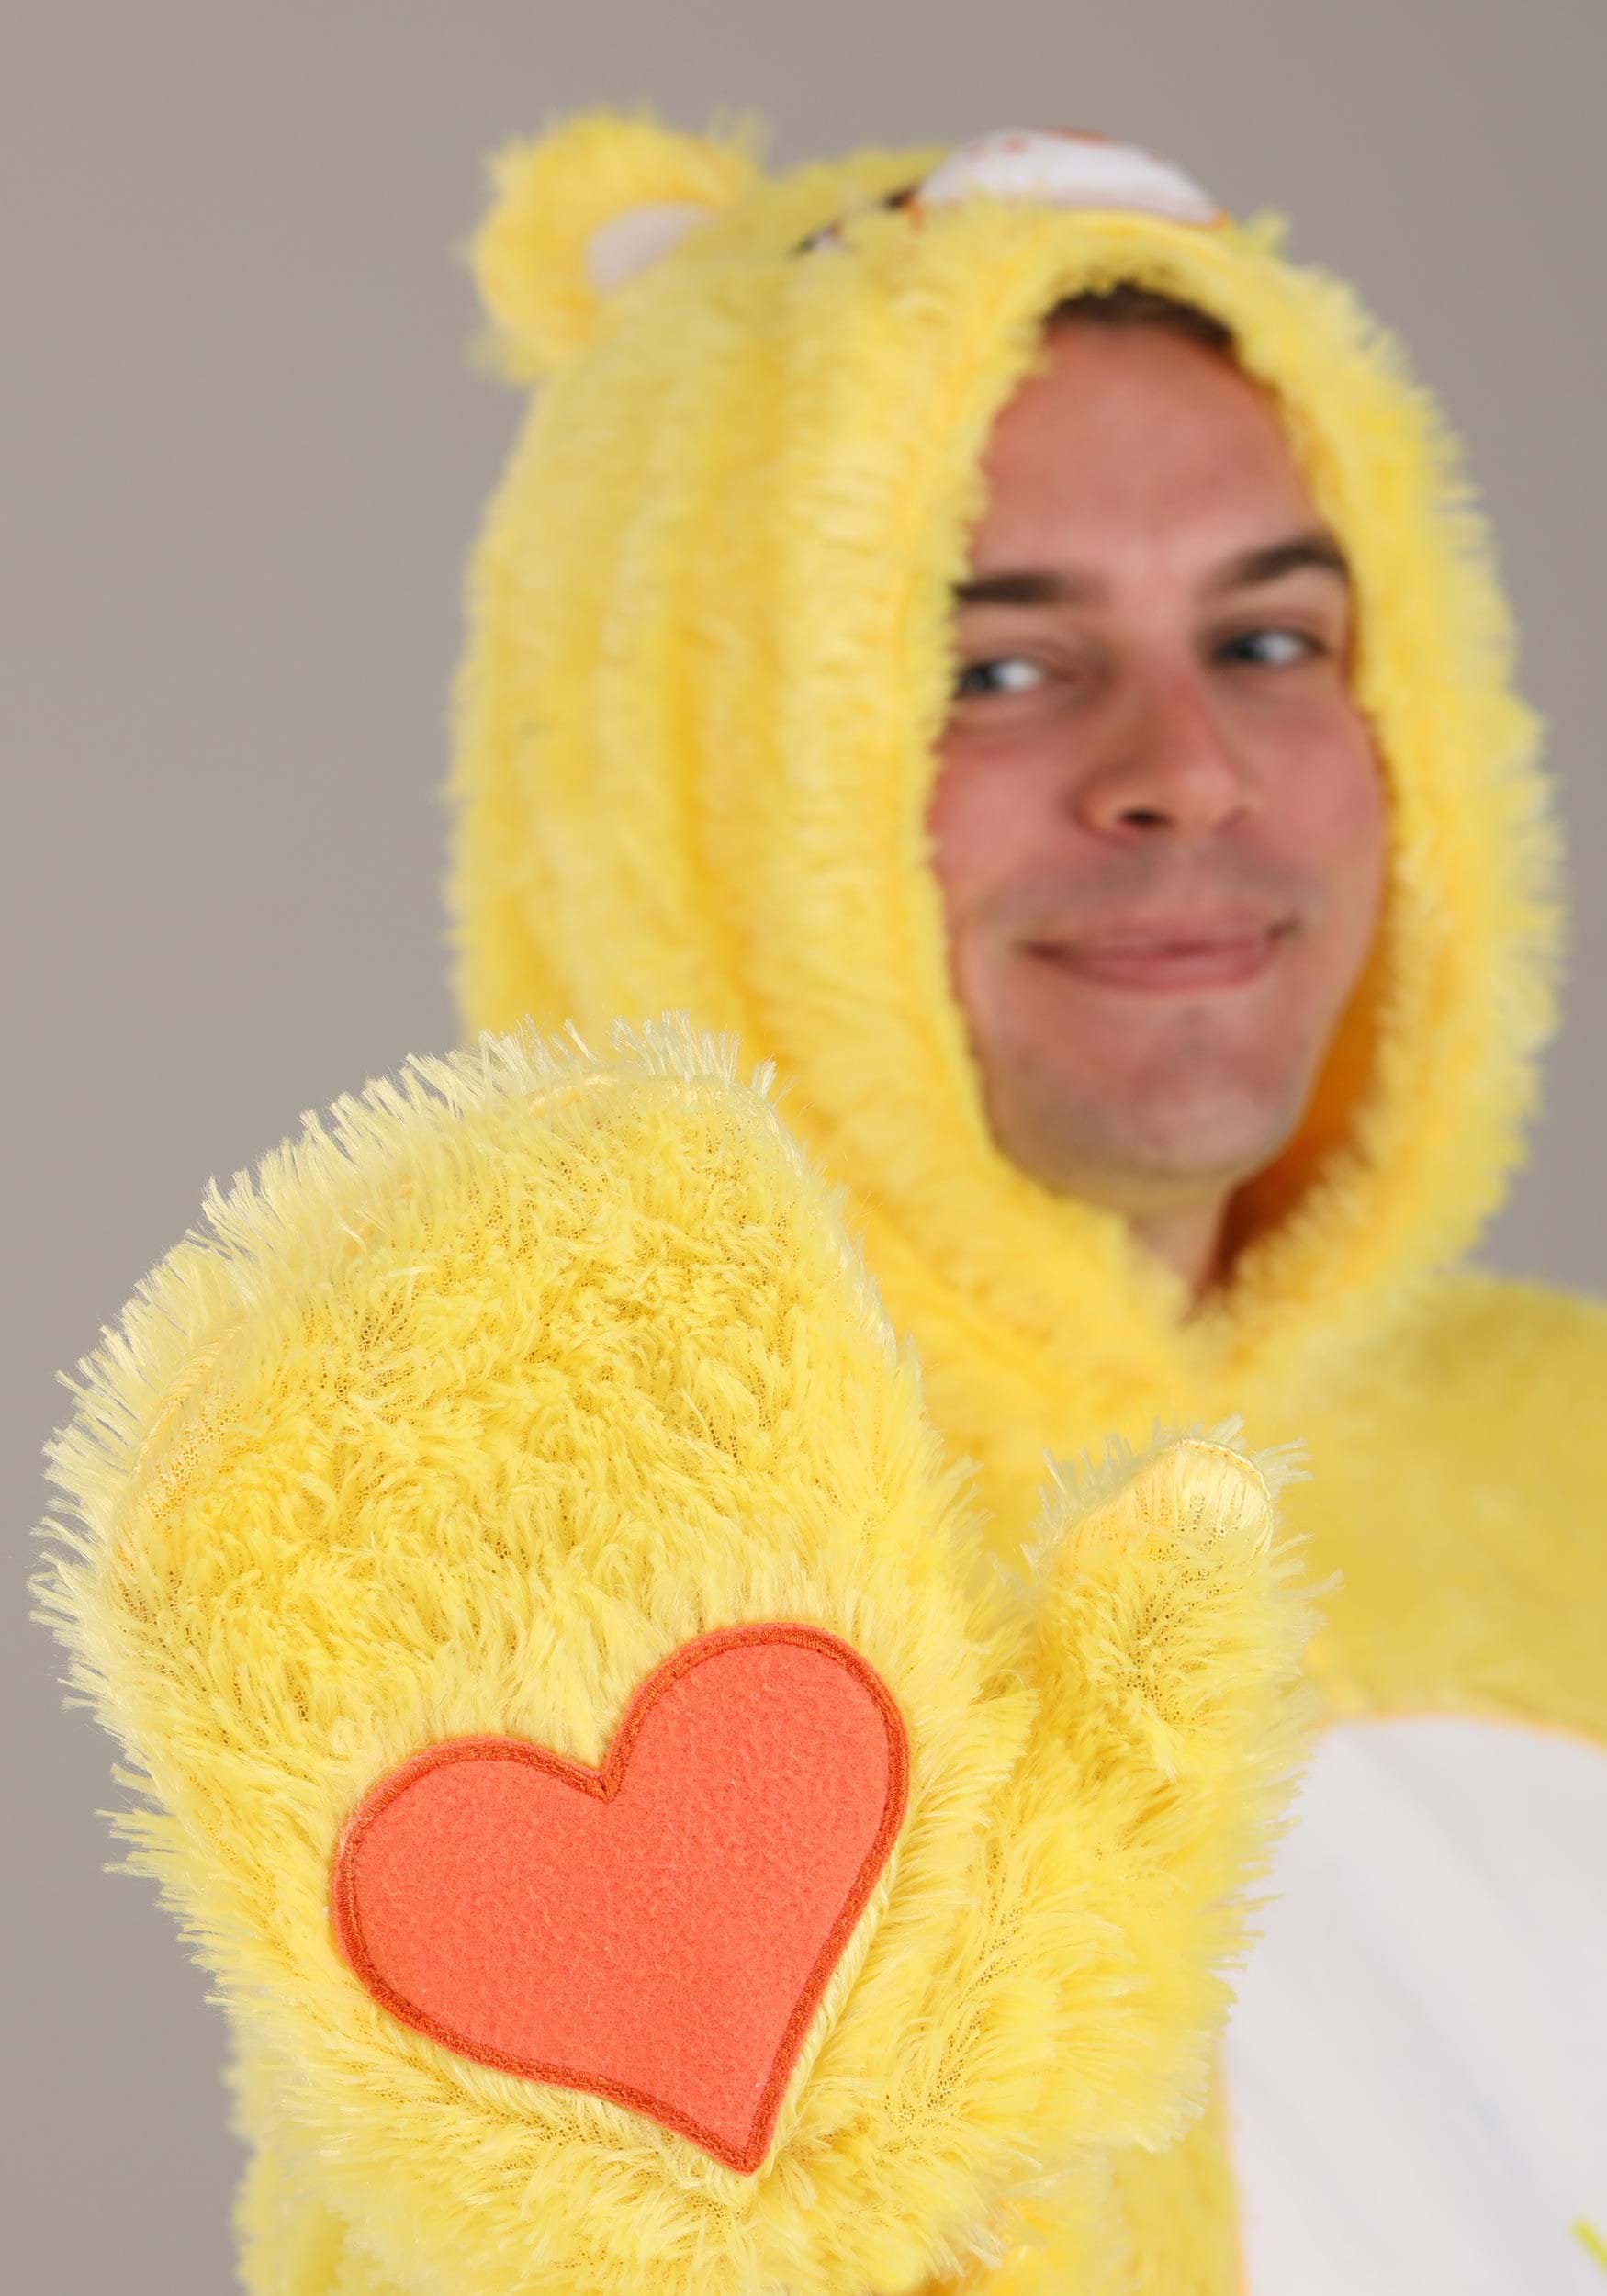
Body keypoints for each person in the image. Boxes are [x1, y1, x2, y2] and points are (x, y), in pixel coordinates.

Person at [40, 117, 1605, 2296]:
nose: (1183, 766)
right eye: (992, 667)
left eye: (1268, 638)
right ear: (697, 761)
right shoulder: (576, 1603)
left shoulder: (1568, 1451)